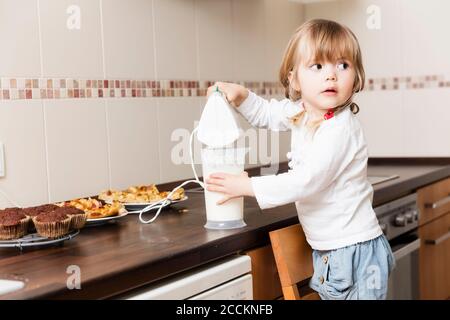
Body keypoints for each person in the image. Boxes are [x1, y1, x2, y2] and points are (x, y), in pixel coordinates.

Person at [205, 19, 395, 300]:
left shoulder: (339, 128)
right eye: (318, 66)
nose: (331, 75)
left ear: (356, 78)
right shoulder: (303, 113)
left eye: (342, 65)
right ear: (294, 79)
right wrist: (242, 95)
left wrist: (247, 186)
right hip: (336, 250)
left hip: (353, 253)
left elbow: (306, 181)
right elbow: (268, 114)